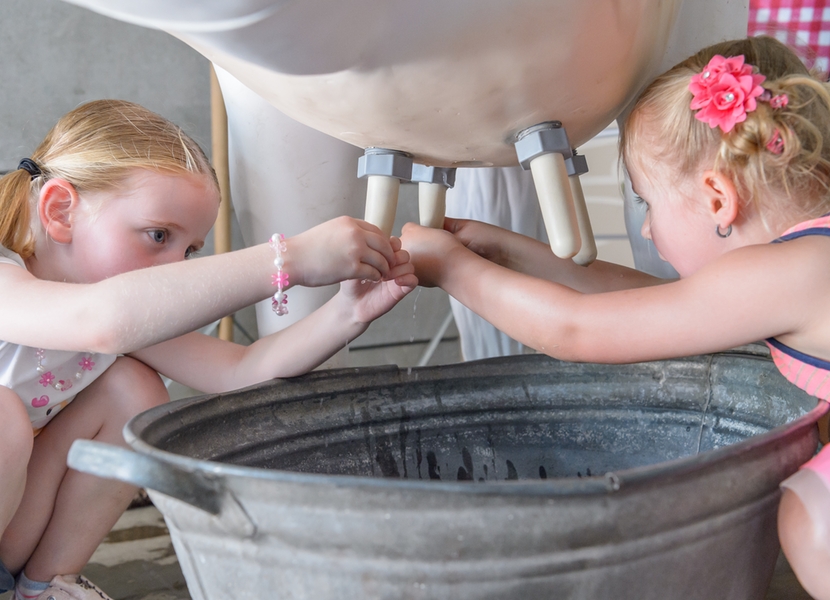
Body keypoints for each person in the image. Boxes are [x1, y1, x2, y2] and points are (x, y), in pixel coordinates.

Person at [401, 36, 830, 600]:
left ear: (718, 199)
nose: (648, 230)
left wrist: (453, 271)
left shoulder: (786, 272)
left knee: (810, 517)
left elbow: (577, 328)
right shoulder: (800, 257)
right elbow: (646, 306)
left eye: (648, 203)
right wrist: (507, 251)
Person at [0, 99, 416, 600]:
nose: (176, 265)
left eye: (190, 251)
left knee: (134, 389)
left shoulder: (123, 307)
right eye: (158, 235)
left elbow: (241, 369)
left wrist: (347, 313)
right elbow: (101, 320)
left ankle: (43, 586)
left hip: (12, 524)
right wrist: (290, 258)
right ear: (60, 211)